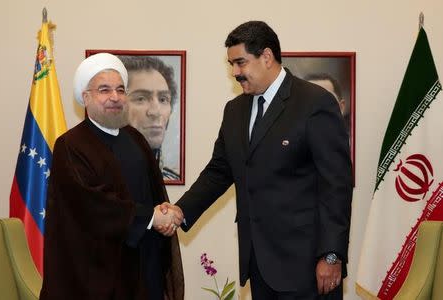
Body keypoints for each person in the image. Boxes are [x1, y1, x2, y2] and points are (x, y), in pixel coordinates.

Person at [161, 21, 353, 299]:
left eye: (241, 63)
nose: (235, 72)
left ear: (266, 57)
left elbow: (336, 185)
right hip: (259, 265)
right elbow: (219, 171)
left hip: (308, 265)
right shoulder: (235, 110)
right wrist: (180, 211)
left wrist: (332, 255)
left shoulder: (314, 103)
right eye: (231, 65)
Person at [40, 53, 184, 300]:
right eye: (104, 90)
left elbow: (154, 192)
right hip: (97, 271)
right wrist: (151, 217)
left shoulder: (136, 139)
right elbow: (92, 205)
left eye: (120, 90)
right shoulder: (71, 145)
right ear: (86, 97)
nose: (115, 97)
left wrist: (166, 211)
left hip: (143, 262)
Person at [119, 55, 180, 180]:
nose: (155, 112)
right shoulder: (96, 176)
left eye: (163, 99)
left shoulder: (170, 177)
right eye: (141, 98)